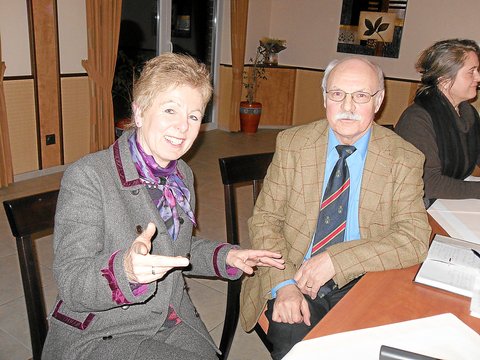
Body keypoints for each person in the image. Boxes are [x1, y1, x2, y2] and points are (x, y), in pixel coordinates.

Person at [42, 53, 285, 360]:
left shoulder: (181, 174)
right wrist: (126, 271)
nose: (183, 127)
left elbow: (175, 251)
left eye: (194, 116)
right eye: (170, 110)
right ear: (140, 112)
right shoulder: (89, 176)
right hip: (100, 330)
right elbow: (72, 282)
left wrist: (227, 256)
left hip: (167, 317)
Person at [239, 56, 431, 359]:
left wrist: (336, 261)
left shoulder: (403, 158)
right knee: (293, 338)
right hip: (295, 271)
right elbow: (265, 220)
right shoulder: (292, 144)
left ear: (378, 100)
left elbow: (414, 238)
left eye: (361, 96)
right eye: (337, 94)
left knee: (390, 342)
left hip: (368, 274)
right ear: (324, 96)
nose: (348, 106)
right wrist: (285, 285)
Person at [395, 39, 480, 208]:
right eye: (471, 72)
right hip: (416, 206)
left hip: (443, 202)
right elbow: (429, 183)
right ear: (444, 80)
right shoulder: (417, 120)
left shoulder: (467, 112)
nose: (478, 77)